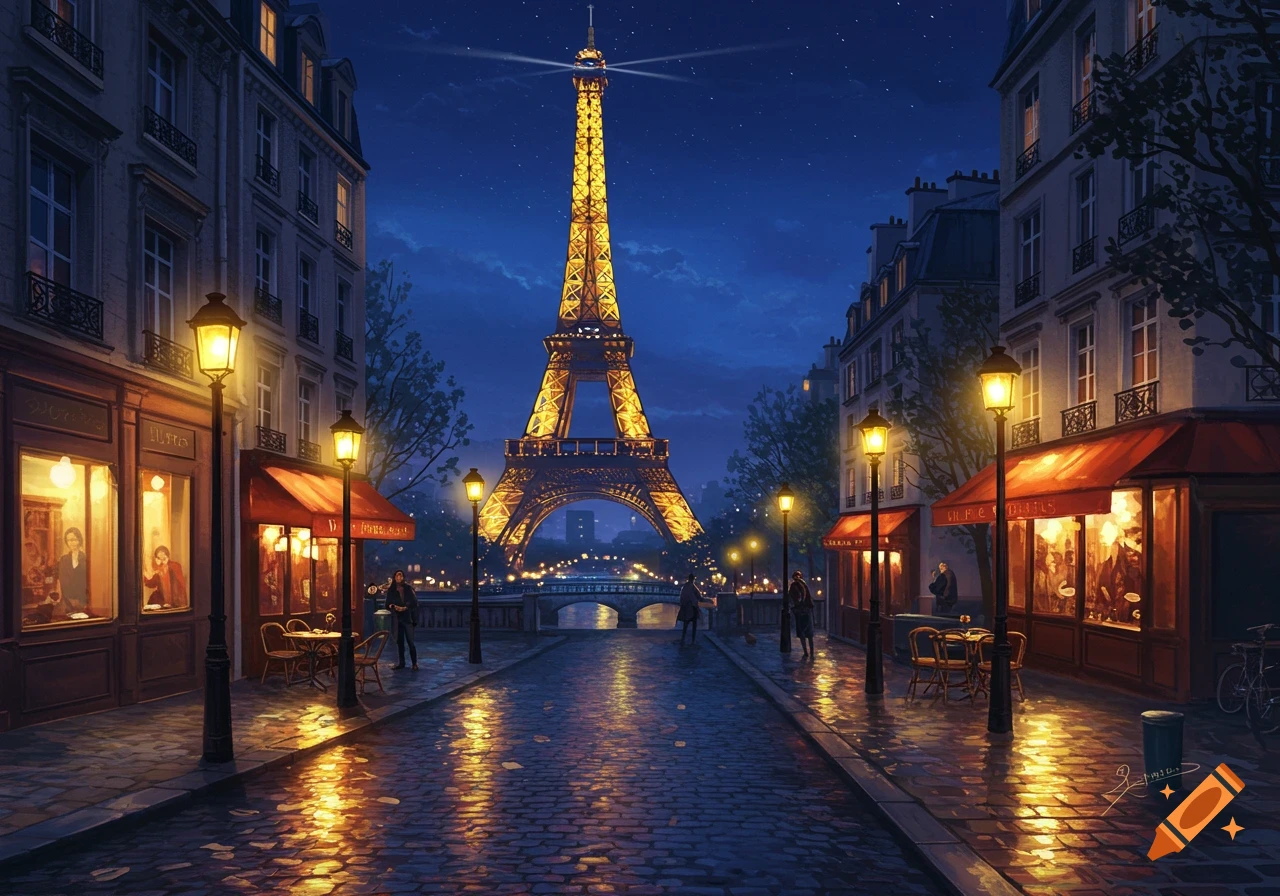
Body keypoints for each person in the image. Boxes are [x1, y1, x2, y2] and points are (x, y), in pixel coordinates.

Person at [386, 570, 418, 670]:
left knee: (410, 642)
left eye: (400, 576)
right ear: (394, 577)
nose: (399, 578)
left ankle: (414, 663)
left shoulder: (408, 588)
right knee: (400, 643)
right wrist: (393, 606)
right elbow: (387, 604)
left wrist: (405, 607)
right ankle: (402, 663)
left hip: (407, 618)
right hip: (397, 619)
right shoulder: (391, 590)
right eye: (397, 576)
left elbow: (414, 602)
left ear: (403, 577)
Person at [55, 527, 88, 614]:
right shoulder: (63, 559)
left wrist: (82, 601)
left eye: (74, 539)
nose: (71, 543)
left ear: (79, 540)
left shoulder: (85, 558)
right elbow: (61, 579)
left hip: (83, 601)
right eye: (68, 540)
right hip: (67, 601)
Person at [789, 571, 816, 659]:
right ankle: (810, 652)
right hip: (806, 611)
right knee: (809, 633)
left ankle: (806, 652)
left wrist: (795, 607)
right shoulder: (804, 585)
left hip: (800, 612)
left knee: (802, 632)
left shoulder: (794, 586)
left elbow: (793, 599)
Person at [677, 574, 701, 646]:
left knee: (686, 624)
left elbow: (682, 598)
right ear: (693, 579)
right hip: (692, 608)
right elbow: (698, 596)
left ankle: (683, 639)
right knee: (694, 624)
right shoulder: (693, 587)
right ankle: (692, 641)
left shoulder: (685, 587)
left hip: (686, 608)